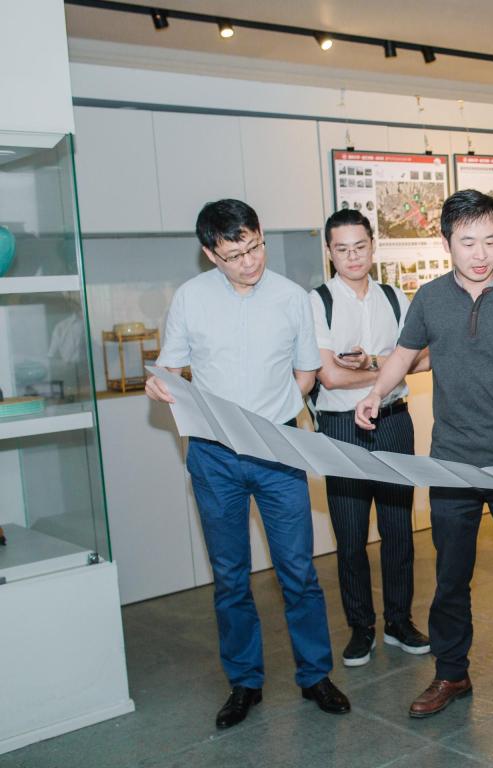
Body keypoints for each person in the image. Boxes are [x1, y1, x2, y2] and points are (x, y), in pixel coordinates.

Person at [353, 189, 493, 726]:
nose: (481, 253)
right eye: (468, 242)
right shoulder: (429, 298)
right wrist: (376, 391)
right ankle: (451, 672)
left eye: (490, 240)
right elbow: (403, 355)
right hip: (450, 463)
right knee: (450, 578)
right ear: (446, 242)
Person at [144, 199, 350, 729]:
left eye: (256, 246)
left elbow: (306, 372)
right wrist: (158, 382)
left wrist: (272, 416)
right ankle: (244, 682)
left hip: (276, 448)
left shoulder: (291, 297)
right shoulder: (190, 298)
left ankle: (315, 675)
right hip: (214, 455)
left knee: (298, 571)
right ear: (211, 254)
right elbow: (170, 367)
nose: (251, 260)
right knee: (231, 575)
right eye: (235, 255)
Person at [309, 209, 431, 666]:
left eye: (360, 246)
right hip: (341, 427)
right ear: (330, 252)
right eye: (342, 249)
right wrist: (389, 368)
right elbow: (330, 377)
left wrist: (373, 365)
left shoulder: (395, 297)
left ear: (373, 246)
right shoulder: (317, 301)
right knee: (351, 533)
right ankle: (361, 627)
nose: (353, 256)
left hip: (394, 420)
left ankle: (399, 621)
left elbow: (425, 360)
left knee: (399, 530)